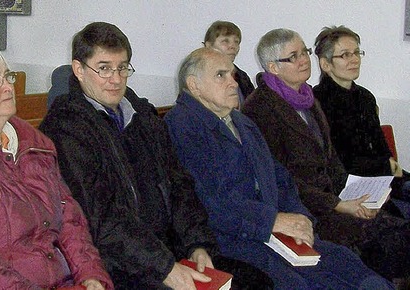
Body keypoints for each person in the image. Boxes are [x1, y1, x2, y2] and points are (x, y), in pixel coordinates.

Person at [40, 22, 273, 289]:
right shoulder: (65, 128)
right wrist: (165, 268)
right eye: (103, 68)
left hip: (169, 251)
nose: (116, 79)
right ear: (79, 70)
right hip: (119, 264)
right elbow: (101, 219)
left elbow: (180, 186)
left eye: (122, 67)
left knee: (255, 282)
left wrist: (197, 244)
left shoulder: (143, 118)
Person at [165, 47, 394, 289]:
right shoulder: (182, 127)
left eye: (232, 75)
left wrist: (301, 219)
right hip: (231, 238)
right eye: (221, 75)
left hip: (274, 232)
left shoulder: (242, 122)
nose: (233, 83)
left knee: (350, 266)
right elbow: (208, 200)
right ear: (194, 85)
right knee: (308, 283)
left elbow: (280, 178)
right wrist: (273, 220)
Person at [0, 43, 113, 290]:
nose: (9, 86)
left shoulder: (35, 145)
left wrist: (91, 276)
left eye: (8, 76)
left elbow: (70, 220)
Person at [241, 28, 410, 286]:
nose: (304, 60)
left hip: (336, 198)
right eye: (293, 56)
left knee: (396, 231)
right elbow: (282, 179)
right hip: (306, 212)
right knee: (389, 241)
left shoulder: (307, 97)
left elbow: (331, 160)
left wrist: (355, 193)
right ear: (273, 67)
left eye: (304, 52)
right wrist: (337, 204)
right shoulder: (260, 109)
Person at [312, 25, 410, 203]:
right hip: (348, 186)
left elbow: (380, 144)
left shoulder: (365, 97)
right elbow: (338, 159)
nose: (355, 60)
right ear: (325, 64)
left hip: (381, 177)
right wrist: (386, 167)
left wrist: (389, 166)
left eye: (357, 53)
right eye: (345, 55)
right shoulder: (317, 102)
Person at [203, 20, 254, 109]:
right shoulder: (199, 75)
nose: (232, 46)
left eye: (236, 42)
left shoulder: (242, 77)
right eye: (225, 41)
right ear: (209, 46)